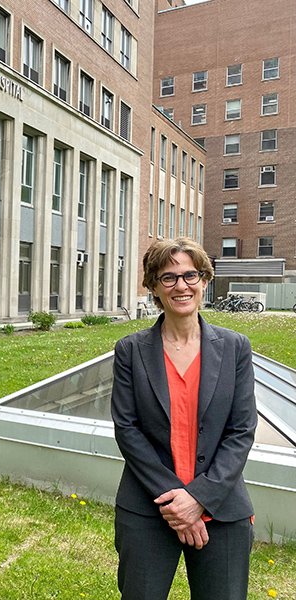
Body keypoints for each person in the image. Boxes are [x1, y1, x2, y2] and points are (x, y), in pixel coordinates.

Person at [111, 237, 257, 600]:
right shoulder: (130, 351)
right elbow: (127, 429)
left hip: (221, 507)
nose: (181, 286)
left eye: (190, 275)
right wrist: (177, 502)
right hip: (148, 506)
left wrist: (199, 498)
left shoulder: (235, 347)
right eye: (168, 277)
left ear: (204, 280)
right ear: (153, 287)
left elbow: (241, 430)